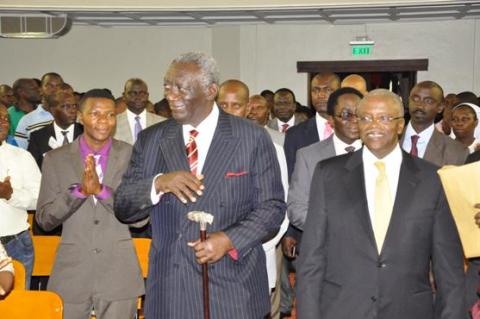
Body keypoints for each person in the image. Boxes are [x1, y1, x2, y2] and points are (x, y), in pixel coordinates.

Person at [114, 52, 285, 319]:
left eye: (181, 87)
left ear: (210, 90)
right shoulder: (151, 140)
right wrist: (158, 184)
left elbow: (272, 209)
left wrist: (229, 240)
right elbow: (124, 206)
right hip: (171, 290)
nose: (171, 95)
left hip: (233, 289)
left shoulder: (250, 137)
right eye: (167, 87)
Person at [296, 89, 466, 319]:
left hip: (409, 310)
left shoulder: (431, 179)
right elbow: (311, 258)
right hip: (342, 308)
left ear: (400, 125)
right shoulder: (328, 174)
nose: (373, 125)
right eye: (365, 118)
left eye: (384, 118)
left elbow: (449, 268)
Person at [36, 89, 144, 319]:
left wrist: (102, 191)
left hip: (118, 271)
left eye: (110, 114)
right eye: (95, 114)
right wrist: (79, 192)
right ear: (80, 117)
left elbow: (140, 218)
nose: (104, 121)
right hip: (72, 272)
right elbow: (44, 220)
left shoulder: (132, 155)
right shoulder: (56, 159)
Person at [217, 78, 289, 318]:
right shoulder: (205, 146)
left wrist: (247, 245)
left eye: (235, 105)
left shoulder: (270, 146)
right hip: (211, 256)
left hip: (254, 252)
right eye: (223, 105)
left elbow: (279, 208)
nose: (229, 112)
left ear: (248, 107)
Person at [287, 87, 363, 229]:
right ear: (331, 120)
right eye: (346, 114)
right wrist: (335, 228)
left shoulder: (378, 153)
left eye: (359, 114)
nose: (354, 120)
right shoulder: (308, 156)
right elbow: (296, 208)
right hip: (326, 245)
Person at [0, 103, 41, 289]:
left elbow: (39, 198)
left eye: (5, 119)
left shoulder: (22, 157)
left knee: (18, 309)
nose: (3, 123)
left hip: (15, 243)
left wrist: (11, 195)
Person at [284, 72, 340, 178]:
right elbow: (291, 178)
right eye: (316, 90)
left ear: (339, 93)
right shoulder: (294, 135)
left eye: (328, 90)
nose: (321, 95)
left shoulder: (352, 130)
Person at [402, 81, 468, 166]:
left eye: (428, 101)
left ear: (440, 107)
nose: (419, 106)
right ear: (408, 101)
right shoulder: (388, 140)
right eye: (415, 99)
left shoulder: (457, 151)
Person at [15, 73, 64, 149]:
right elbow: (20, 152)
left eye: (58, 86)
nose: (55, 90)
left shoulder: (72, 116)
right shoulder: (26, 120)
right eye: (50, 86)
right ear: (40, 90)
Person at [114, 78, 165, 145]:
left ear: (147, 96)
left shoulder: (162, 123)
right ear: (124, 96)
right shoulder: (114, 123)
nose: (138, 97)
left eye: (142, 93)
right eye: (133, 93)